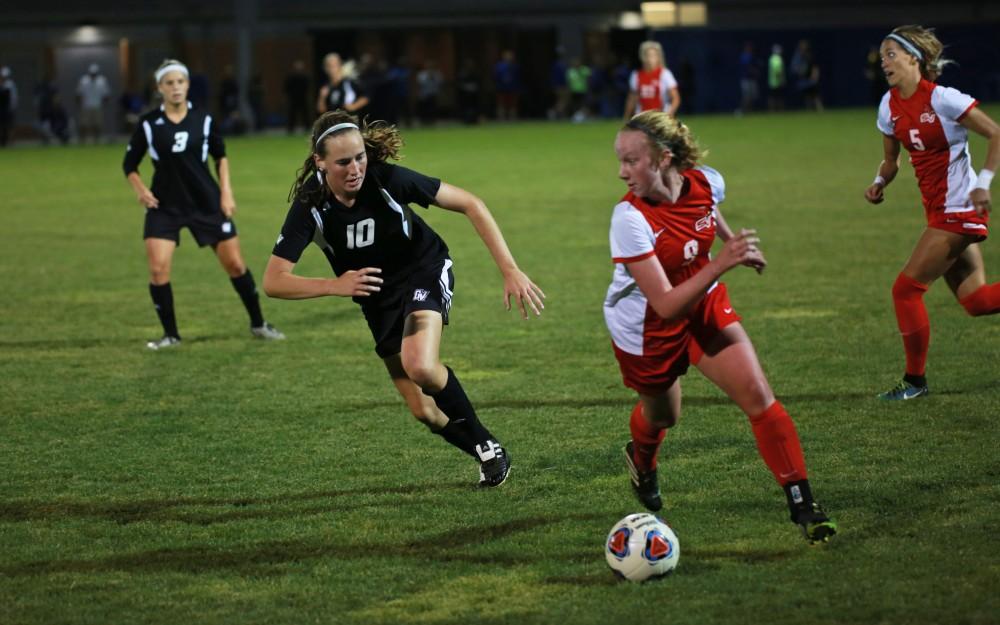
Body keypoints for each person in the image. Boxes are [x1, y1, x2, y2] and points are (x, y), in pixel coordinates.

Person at [262, 110, 545, 487]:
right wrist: (334, 284)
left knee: (421, 366)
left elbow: (470, 203)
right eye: (343, 161)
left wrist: (509, 269)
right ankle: (487, 447)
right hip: (376, 298)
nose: (355, 168)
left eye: (360, 156)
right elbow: (274, 280)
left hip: (422, 269)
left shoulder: (386, 180)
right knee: (423, 410)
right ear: (320, 161)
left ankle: (488, 450)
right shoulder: (310, 204)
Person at [606, 110, 836, 542]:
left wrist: (729, 243)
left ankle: (804, 505)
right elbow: (666, 304)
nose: (622, 172)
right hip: (645, 325)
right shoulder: (629, 219)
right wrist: (724, 262)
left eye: (631, 161)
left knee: (759, 396)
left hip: (705, 303)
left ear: (664, 158)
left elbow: (708, 211)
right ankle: (643, 459)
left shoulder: (708, 181)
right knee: (664, 415)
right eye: (620, 161)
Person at [863, 25, 1000, 400]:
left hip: (959, 211)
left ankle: (915, 382)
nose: (884, 62)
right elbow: (892, 160)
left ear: (914, 58)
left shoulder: (944, 99)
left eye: (892, 53)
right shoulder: (888, 105)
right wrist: (879, 181)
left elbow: (995, 133)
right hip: (940, 213)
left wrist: (983, 182)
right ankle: (915, 382)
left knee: (905, 291)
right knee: (977, 302)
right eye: (882, 55)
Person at [122, 59, 285, 349]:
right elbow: (129, 164)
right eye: (169, 83)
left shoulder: (204, 119)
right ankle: (170, 335)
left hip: (206, 202)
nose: (175, 88)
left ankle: (259, 324)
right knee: (158, 269)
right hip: (165, 206)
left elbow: (220, 156)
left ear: (187, 85)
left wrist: (226, 192)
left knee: (235, 265)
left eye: (180, 82)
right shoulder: (148, 124)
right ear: (160, 88)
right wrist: (140, 190)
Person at [623, 41, 680, 121]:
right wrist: (626, 117)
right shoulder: (636, 75)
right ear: (642, 57)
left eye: (653, 56)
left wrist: (670, 113)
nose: (650, 59)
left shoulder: (665, 74)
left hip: (660, 117)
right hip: (642, 118)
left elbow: (675, 98)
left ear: (658, 57)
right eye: (647, 55)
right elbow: (632, 98)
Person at [77, 63, 109, 143]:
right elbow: (79, 94)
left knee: (97, 124)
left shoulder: (102, 81)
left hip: (97, 105)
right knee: (84, 124)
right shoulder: (84, 81)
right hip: (86, 106)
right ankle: (82, 140)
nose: (93, 75)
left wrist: (104, 104)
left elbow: (106, 95)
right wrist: (80, 105)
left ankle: (96, 140)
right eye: (92, 74)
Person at [284, 60, 311, 134]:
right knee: (292, 114)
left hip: (302, 98)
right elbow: (287, 87)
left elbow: (307, 87)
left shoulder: (304, 77)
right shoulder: (291, 77)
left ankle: (307, 127)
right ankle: (290, 129)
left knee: (305, 113)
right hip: (293, 98)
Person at [493, 50, 520, 121]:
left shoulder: (515, 66)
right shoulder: (499, 66)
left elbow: (518, 77)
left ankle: (512, 117)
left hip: (513, 88)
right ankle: (501, 117)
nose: (509, 57)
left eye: (510, 56)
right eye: (507, 56)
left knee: (512, 104)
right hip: (501, 88)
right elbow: (496, 77)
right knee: (501, 103)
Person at [737, 42, 759, 114]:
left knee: (752, 96)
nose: (750, 49)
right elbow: (747, 67)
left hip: (752, 79)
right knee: (746, 96)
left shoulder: (752, 56)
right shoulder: (744, 56)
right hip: (746, 79)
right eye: (748, 47)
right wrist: (754, 71)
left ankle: (749, 110)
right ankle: (742, 110)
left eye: (750, 47)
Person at [0, 66, 17, 146]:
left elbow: (14, 98)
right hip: (1, 109)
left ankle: (10, 142)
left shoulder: (10, 85)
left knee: (9, 125)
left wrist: (12, 108)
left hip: (8, 109)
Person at [767, 44, 786, 112]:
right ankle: (778, 110)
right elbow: (778, 71)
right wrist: (781, 79)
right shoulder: (777, 59)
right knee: (778, 97)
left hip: (771, 81)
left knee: (773, 97)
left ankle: (773, 110)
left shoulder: (771, 58)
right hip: (776, 82)